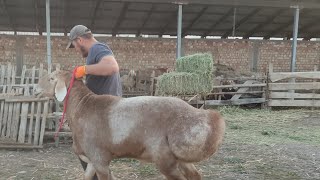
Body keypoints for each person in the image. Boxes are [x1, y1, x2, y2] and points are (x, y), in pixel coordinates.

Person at [66, 24, 122, 179]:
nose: (76, 50)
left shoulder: (97, 48)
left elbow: (112, 67)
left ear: (79, 40)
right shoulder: (94, 53)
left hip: (105, 110)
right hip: (102, 109)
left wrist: (85, 69)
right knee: (84, 149)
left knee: (83, 148)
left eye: (74, 46)